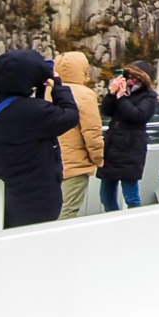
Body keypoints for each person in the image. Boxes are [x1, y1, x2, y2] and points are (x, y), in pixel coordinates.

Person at [0, 49, 81, 229]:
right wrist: (59, 86)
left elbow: (22, 119)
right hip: (34, 199)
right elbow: (70, 116)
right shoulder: (34, 112)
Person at [98, 60, 159, 210]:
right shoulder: (123, 91)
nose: (131, 80)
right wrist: (112, 95)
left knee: (131, 195)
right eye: (129, 76)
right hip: (112, 146)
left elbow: (138, 116)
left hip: (131, 147)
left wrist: (122, 98)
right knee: (106, 194)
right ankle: (112, 220)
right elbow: (106, 111)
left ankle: (135, 224)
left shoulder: (149, 96)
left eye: (135, 78)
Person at [53, 51, 106, 219]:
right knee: (68, 211)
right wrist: (98, 159)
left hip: (48, 163)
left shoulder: (48, 92)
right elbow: (92, 133)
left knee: (49, 211)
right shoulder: (85, 95)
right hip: (75, 166)